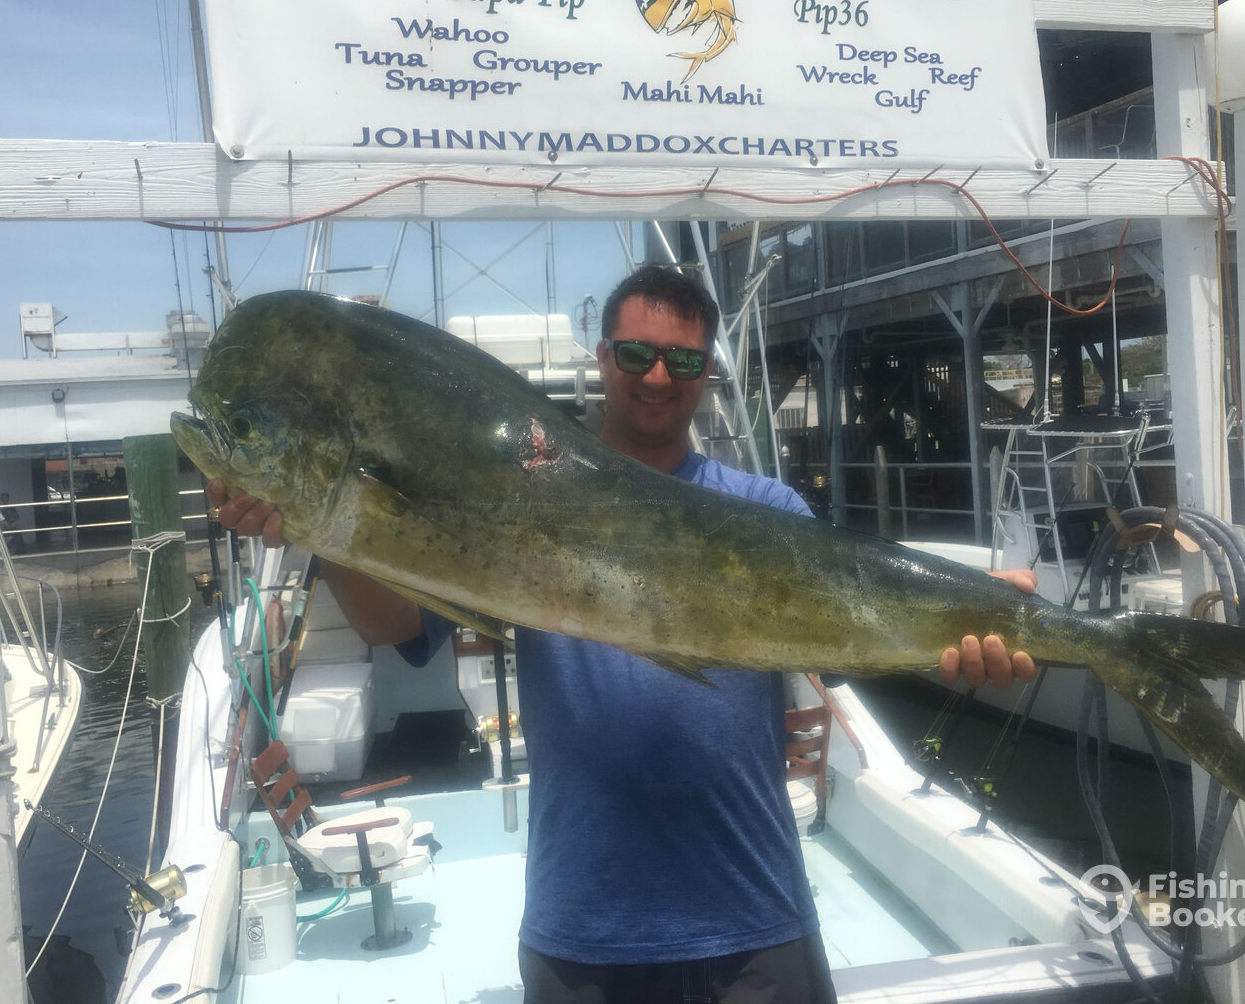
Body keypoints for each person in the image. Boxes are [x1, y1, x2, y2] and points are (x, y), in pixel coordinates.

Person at [209, 265, 1037, 1003]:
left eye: (681, 361)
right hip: (586, 932)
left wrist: (975, 626)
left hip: (753, 918)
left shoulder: (766, 513)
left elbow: (859, 617)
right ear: (602, 358)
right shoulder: (515, 494)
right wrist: (316, 530)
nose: (656, 377)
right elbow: (395, 625)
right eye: (636, 354)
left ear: (706, 373)